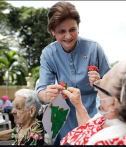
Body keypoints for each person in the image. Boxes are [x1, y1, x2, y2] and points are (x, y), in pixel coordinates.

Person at [35, 1, 111, 144]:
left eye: (72, 29)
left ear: (78, 27)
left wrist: (100, 82)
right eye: (61, 31)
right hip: (62, 119)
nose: (68, 36)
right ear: (52, 32)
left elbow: (113, 86)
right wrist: (47, 95)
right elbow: (41, 90)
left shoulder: (94, 49)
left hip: (93, 116)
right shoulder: (48, 53)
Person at [60, 59, 126, 145]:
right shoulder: (116, 116)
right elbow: (89, 129)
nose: (97, 90)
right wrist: (78, 104)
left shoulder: (113, 142)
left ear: (114, 103)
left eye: (101, 87)